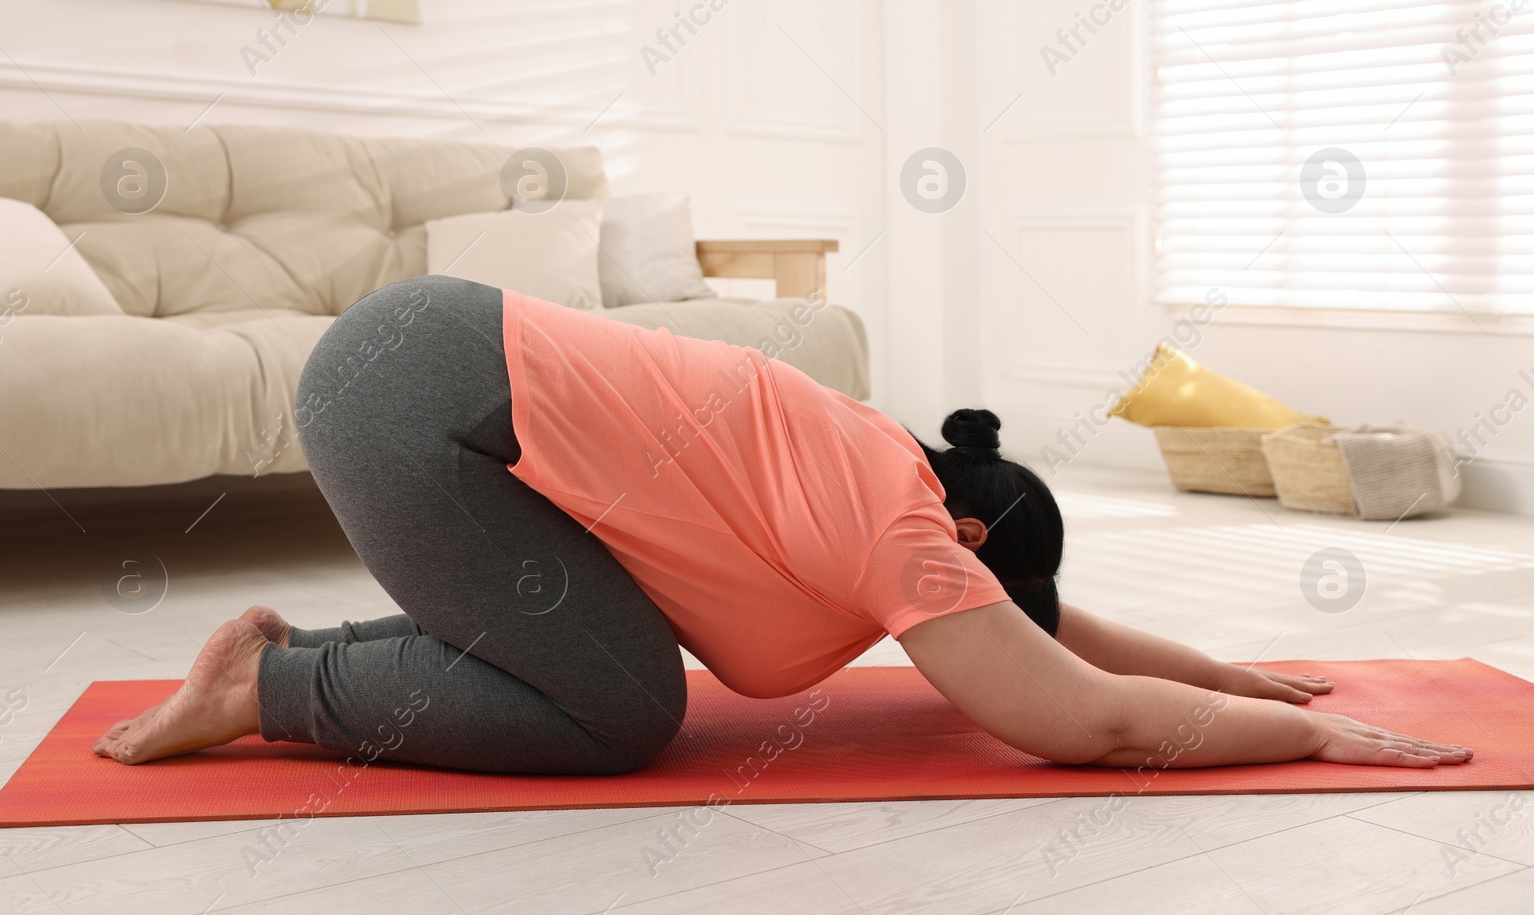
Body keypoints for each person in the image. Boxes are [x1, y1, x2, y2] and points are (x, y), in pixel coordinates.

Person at [93, 276, 1472, 774]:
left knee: (600, 651)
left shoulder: (888, 458)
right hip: (416, 395)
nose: (970, 608)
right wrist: (1306, 733)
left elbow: (1050, 636)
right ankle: (268, 687)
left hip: (423, 362)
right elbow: (1076, 715)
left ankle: (278, 664)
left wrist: (1226, 672)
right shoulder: (900, 534)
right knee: (620, 714)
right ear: (970, 552)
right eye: (979, 592)